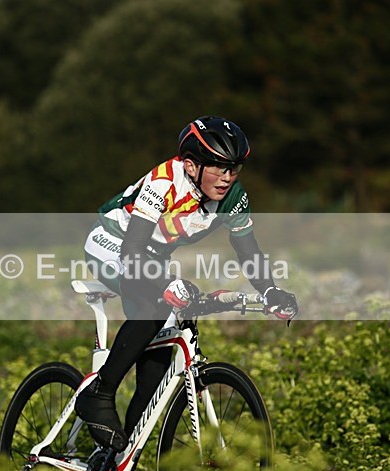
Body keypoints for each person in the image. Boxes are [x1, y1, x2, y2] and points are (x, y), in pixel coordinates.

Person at [76, 116, 298, 452]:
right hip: (114, 242)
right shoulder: (165, 180)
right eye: (219, 168)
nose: (227, 177)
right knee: (154, 302)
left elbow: (247, 249)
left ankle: (118, 470)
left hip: (153, 254)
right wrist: (166, 283)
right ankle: (99, 394)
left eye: (234, 168)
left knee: (155, 371)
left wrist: (269, 290)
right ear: (192, 165)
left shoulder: (233, 197)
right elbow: (133, 252)